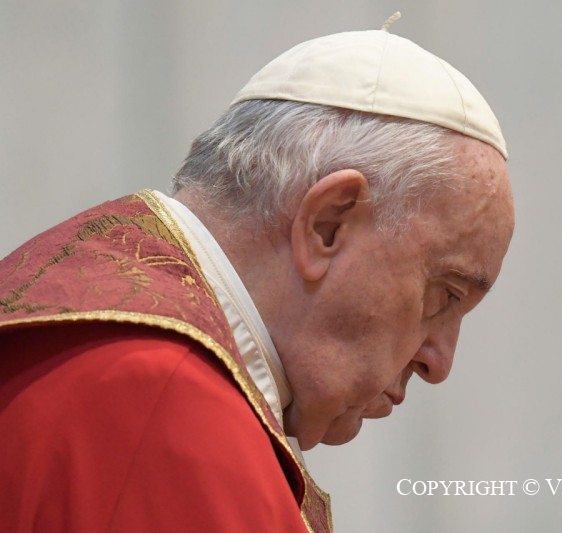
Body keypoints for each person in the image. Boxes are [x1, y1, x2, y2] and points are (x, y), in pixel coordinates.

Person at [0, 19, 515, 532]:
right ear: (328, 224)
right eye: (444, 294)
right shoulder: (166, 407)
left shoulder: (67, 315)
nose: (439, 362)